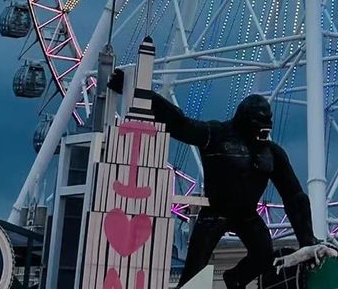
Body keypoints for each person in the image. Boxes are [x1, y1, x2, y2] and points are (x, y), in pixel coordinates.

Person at [108, 71, 317, 288]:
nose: (263, 133)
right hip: (217, 211)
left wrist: (307, 240)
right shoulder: (216, 134)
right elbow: (179, 123)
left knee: (264, 256)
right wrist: (133, 90)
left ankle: (235, 279)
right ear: (247, 122)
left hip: (247, 214)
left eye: (266, 127)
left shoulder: (271, 152)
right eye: (260, 127)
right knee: (193, 274)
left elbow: (295, 197)